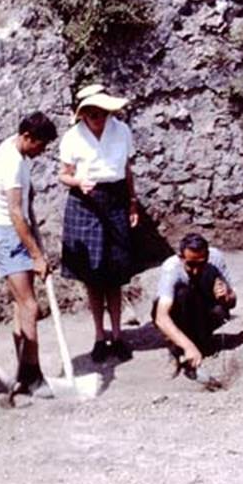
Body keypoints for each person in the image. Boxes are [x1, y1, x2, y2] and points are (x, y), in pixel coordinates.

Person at [57, 84, 139, 364]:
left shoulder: (122, 131)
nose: (98, 118)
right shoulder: (72, 138)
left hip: (115, 198)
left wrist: (132, 202)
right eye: (91, 114)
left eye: (102, 113)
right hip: (84, 202)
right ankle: (98, 336)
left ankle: (117, 336)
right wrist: (79, 181)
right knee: (92, 275)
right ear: (82, 115)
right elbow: (64, 175)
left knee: (114, 273)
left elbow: (127, 169)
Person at [0, 111, 59, 397]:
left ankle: (24, 373)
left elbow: (26, 210)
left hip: (17, 233)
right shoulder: (12, 163)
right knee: (30, 307)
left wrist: (37, 246)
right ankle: (34, 374)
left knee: (21, 307)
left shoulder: (14, 150)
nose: (43, 151)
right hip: (9, 236)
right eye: (41, 144)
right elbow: (16, 213)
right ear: (27, 137)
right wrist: (36, 255)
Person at [152, 233, 237, 370]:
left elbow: (232, 303)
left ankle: (202, 342)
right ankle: (178, 346)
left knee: (219, 310)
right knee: (182, 294)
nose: (196, 270)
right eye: (191, 265)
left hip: (203, 310)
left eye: (201, 264)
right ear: (181, 258)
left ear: (208, 256)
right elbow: (161, 317)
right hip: (181, 311)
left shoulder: (216, 259)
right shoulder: (171, 268)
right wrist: (188, 347)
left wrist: (226, 297)